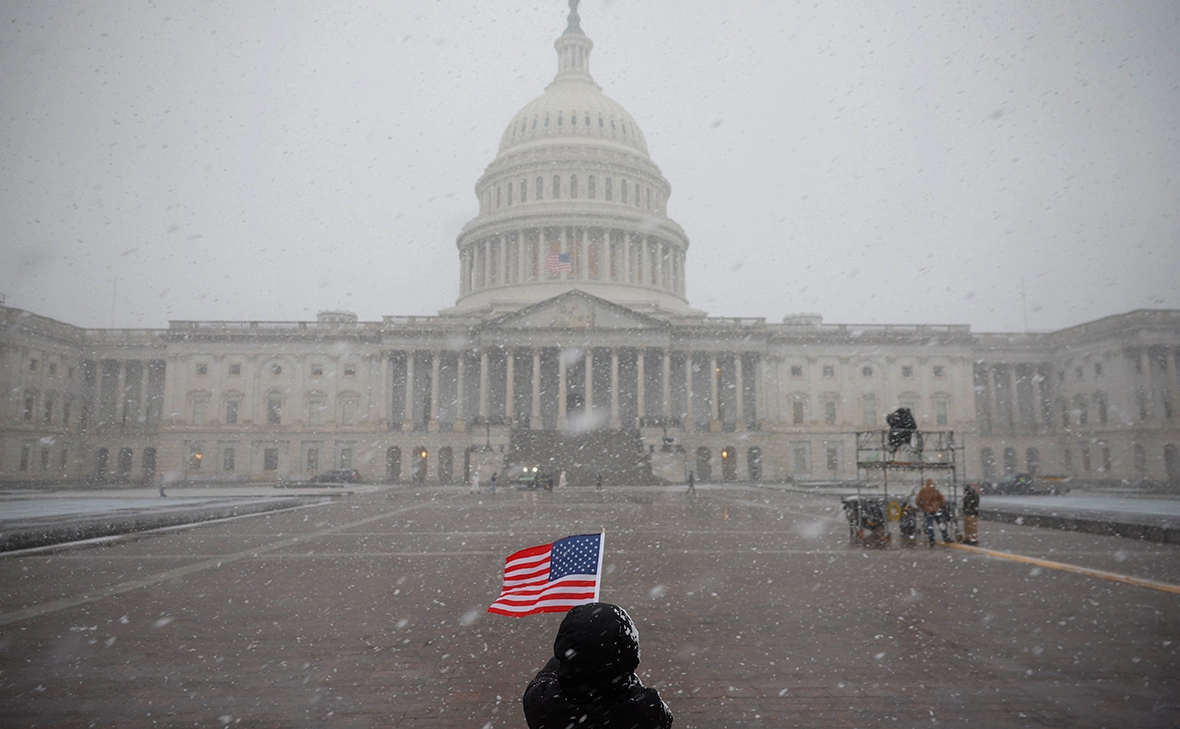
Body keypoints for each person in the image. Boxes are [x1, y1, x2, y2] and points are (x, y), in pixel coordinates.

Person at [522, 602, 673, 729]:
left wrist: (574, 653)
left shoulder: (542, 703)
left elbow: (547, 674)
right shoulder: (646, 710)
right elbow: (664, 718)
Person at [915, 479, 950, 547]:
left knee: (929, 526)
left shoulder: (923, 491)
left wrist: (923, 506)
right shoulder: (936, 491)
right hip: (936, 510)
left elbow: (918, 500)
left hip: (927, 511)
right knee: (941, 524)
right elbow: (942, 500)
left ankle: (931, 539)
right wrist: (940, 506)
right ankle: (945, 537)